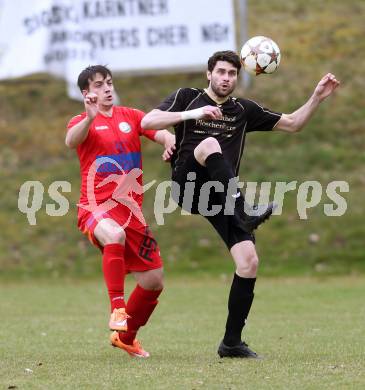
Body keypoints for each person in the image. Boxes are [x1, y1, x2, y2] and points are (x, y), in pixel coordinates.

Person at [141, 50, 339, 358]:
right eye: (220, 72)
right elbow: (148, 120)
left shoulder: (242, 110)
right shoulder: (188, 97)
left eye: (232, 74)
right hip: (188, 186)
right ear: (209, 74)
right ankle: (244, 210)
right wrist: (192, 115)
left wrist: (316, 97)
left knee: (248, 262)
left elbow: (293, 124)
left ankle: (231, 342)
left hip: (219, 196)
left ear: (238, 77)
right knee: (209, 144)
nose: (225, 78)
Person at [65, 65, 175, 358]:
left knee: (154, 281)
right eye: (99, 85)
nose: (107, 89)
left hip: (131, 212)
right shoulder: (81, 121)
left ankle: (126, 336)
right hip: (95, 207)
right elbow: (71, 140)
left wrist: (168, 141)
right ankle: (117, 308)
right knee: (113, 234)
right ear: (87, 94)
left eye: (109, 83)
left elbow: (158, 131)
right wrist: (89, 118)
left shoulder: (131, 116)